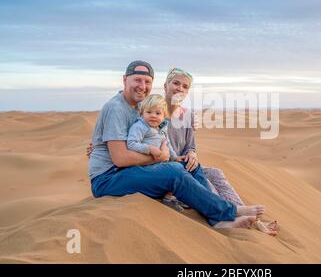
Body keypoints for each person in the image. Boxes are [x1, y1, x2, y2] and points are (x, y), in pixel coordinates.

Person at [88, 60, 265, 229]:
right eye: (137, 80)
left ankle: (218, 219)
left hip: (127, 171)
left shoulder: (141, 106)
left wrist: (185, 144)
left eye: (147, 81)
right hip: (108, 179)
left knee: (190, 167)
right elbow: (120, 158)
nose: (142, 86)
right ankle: (229, 211)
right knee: (174, 171)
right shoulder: (117, 108)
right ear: (125, 80)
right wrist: (162, 156)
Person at [163, 67, 279, 235]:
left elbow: (190, 145)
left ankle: (254, 220)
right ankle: (223, 218)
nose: (180, 89)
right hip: (171, 170)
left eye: (185, 86)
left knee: (215, 173)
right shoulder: (154, 112)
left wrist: (192, 154)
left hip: (186, 166)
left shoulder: (187, 116)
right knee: (205, 182)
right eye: (175, 83)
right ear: (165, 85)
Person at [127, 93, 211, 210]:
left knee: (188, 167)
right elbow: (131, 143)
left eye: (157, 113)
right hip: (146, 164)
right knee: (175, 171)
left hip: (162, 162)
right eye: (149, 112)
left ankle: (205, 200)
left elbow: (168, 144)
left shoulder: (161, 128)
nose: (153, 116)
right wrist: (149, 149)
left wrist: (175, 157)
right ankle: (175, 199)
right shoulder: (140, 127)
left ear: (163, 116)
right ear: (142, 113)